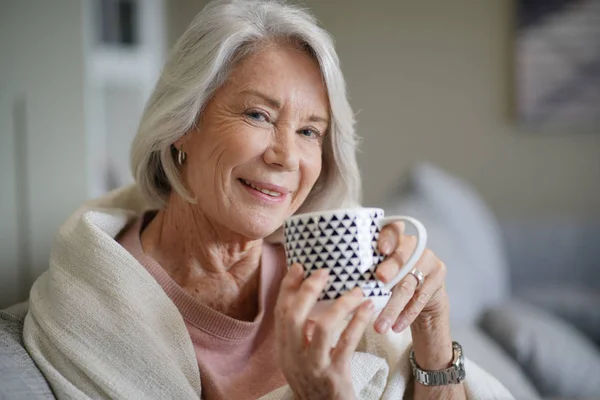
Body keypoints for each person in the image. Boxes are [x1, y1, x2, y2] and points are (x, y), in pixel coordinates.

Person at [23, 1, 514, 399]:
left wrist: (431, 338)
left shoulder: (330, 273)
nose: (286, 156)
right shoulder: (95, 302)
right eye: (258, 115)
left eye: (308, 132)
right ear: (182, 126)